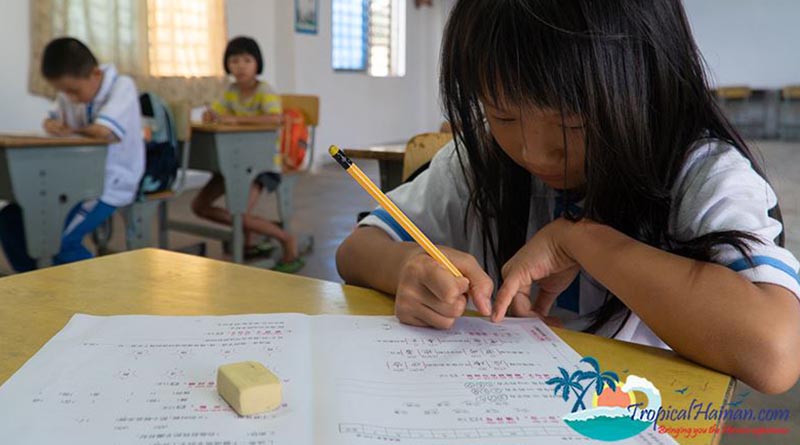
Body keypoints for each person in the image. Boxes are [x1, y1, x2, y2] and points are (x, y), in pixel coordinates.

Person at [336, 0, 800, 394]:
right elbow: (356, 250)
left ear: (648, 85)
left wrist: (581, 241)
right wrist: (407, 269)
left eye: (573, 124)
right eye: (503, 116)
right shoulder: (479, 161)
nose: (533, 152)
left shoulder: (700, 172)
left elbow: (775, 353)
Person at [0, 37, 144, 271]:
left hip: (108, 183)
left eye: (72, 91)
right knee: (10, 218)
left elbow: (104, 131)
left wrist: (70, 130)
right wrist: (51, 124)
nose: (70, 98)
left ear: (96, 74)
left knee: (59, 241)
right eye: (62, 92)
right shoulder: (70, 92)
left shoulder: (121, 86)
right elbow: (52, 119)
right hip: (70, 180)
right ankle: (37, 282)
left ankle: (97, 300)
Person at [194, 36, 303, 273]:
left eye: (246, 60)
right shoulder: (231, 91)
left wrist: (237, 119)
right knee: (199, 206)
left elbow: (276, 118)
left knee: (239, 213)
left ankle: (285, 238)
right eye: (234, 60)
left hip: (263, 165)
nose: (240, 66)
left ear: (257, 64)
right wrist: (212, 116)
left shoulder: (265, 91)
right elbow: (220, 114)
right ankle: (255, 231)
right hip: (233, 163)